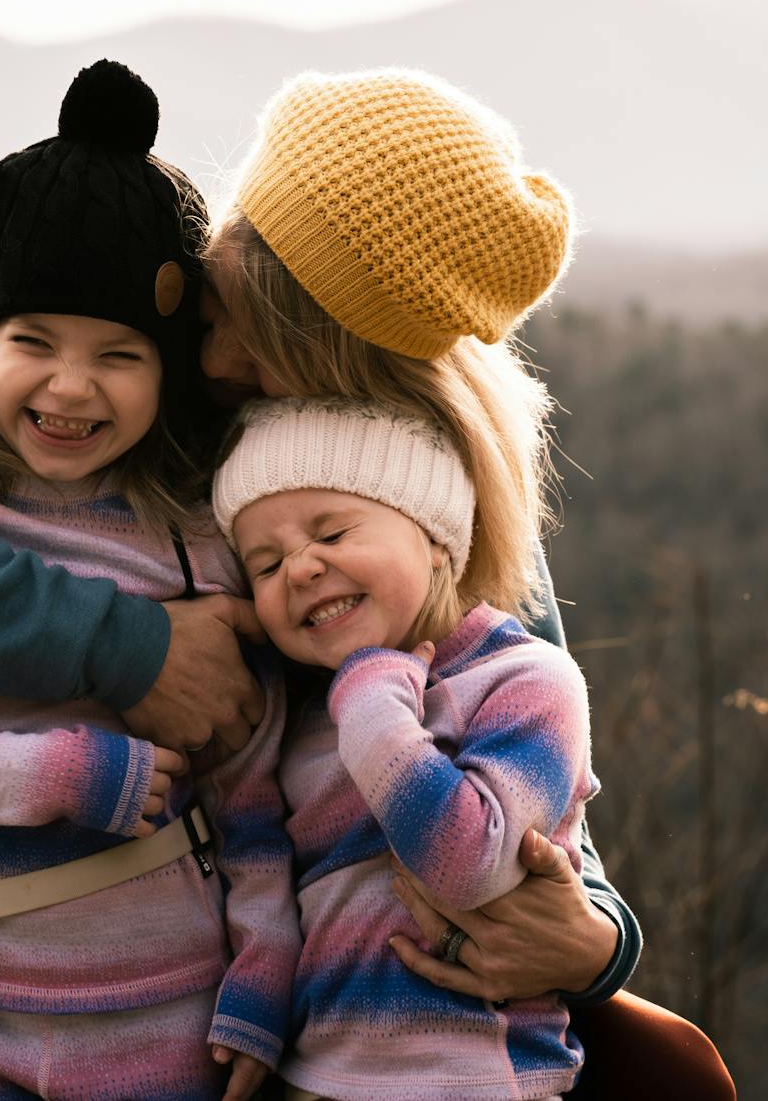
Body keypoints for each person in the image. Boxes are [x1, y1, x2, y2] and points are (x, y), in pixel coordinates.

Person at [0, 67, 733, 1097]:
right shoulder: (77, 279)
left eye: (260, 343)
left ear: (351, 373)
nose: (205, 349)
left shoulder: (418, 467)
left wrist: (592, 936)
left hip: (300, 986)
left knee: (674, 1072)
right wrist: (134, 650)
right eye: (223, 291)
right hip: (30, 949)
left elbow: (520, 720)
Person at [0, 60, 296, 1099]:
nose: (71, 384)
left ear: (167, 370)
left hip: (172, 1019)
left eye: (119, 354)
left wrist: (263, 976)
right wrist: (63, 774)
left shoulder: (195, 543)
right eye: (30, 341)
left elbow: (255, 792)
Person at [213, 396, 596, 1099]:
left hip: (474, 1075)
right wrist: (256, 998)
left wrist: (370, 703)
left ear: (436, 535)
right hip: (315, 1076)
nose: (299, 569)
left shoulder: (527, 681)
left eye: (331, 531)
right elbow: (259, 858)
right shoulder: (305, 719)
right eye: (264, 565)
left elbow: (467, 864)